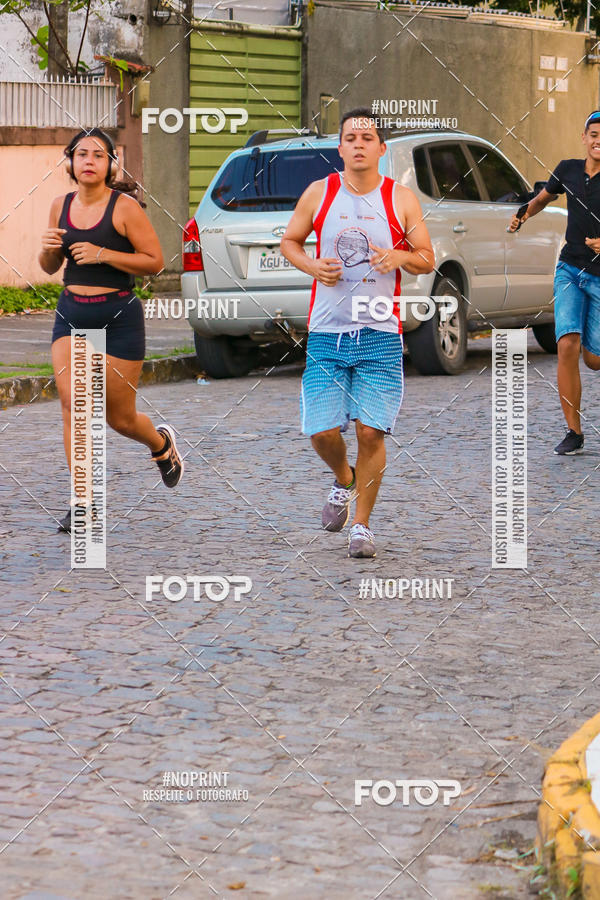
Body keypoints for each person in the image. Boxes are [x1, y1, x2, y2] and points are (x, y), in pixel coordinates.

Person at [280, 108, 434, 558]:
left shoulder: (400, 198)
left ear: (381, 149)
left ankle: (362, 526)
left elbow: (427, 256)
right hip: (328, 332)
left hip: (380, 333)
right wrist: (312, 265)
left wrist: (401, 257)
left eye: (368, 137)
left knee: (371, 432)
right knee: (322, 430)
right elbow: (289, 241)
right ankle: (344, 478)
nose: (359, 144)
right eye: (351, 137)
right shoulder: (319, 192)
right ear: (340, 147)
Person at [39, 128, 184, 533]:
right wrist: (49, 248)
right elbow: (49, 267)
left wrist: (103, 253)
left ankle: (161, 445)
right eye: (81, 153)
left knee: (120, 418)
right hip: (71, 313)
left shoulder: (123, 208)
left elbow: (155, 261)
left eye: (98, 155)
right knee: (73, 401)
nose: (89, 161)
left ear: (109, 165)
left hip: (118, 316)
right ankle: (83, 500)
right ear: (70, 161)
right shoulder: (59, 206)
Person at [508, 110, 600, 455]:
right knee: (567, 345)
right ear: (584, 137)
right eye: (593, 133)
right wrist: (522, 215)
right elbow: (544, 197)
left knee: (593, 359)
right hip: (569, 269)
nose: (598, 140)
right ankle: (573, 431)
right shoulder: (568, 169)